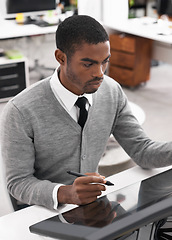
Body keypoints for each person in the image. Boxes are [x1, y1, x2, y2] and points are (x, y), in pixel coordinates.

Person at [1, 15, 172, 211]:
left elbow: (142, 151)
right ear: (61, 58)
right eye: (88, 64)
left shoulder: (111, 92)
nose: (100, 73)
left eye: (105, 62)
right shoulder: (20, 111)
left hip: (91, 205)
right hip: (40, 211)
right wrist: (66, 193)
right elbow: (18, 182)